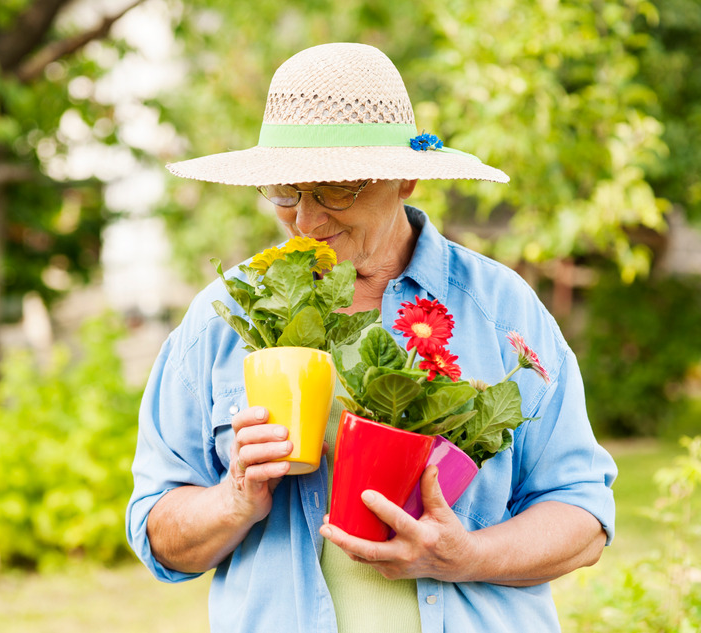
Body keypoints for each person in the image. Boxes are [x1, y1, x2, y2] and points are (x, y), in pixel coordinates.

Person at [126, 42, 617, 633]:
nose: (306, 220)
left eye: (336, 188)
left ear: (406, 177)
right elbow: (158, 532)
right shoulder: (224, 318)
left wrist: (464, 557)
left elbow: (582, 514)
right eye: (287, 191)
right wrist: (231, 500)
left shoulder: (501, 311)